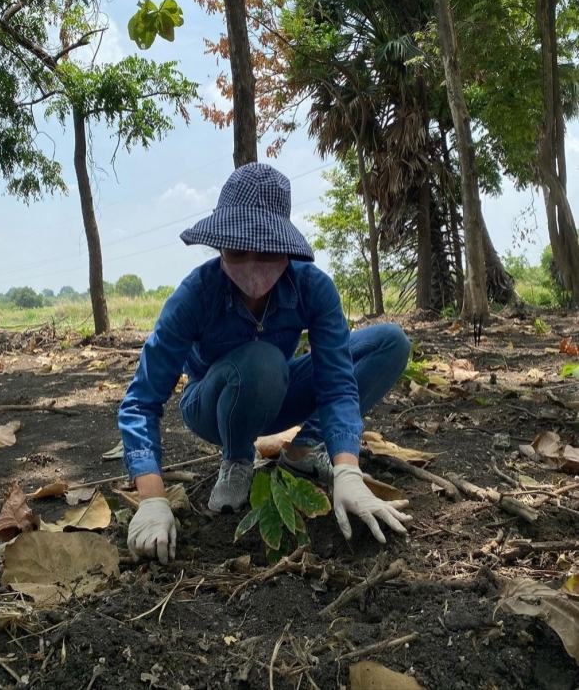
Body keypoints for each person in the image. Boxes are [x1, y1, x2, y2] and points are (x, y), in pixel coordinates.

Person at [119, 162, 413, 565]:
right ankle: (237, 458)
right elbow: (141, 401)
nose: (252, 265)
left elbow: (337, 382)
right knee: (262, 360)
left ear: (286, 249)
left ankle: (305, 450)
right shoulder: (194, 295)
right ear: (219, 244)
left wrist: (348, 468)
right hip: (210, 403)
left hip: (277, 388)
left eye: (268, 252)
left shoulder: (313, 288)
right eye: (237, 251)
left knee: (388, 342)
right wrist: (151, 498)